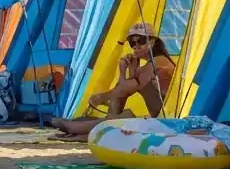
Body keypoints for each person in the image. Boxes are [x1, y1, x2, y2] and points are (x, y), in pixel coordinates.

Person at [48, 23, 176, 140]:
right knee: (125, 115)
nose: (136, 46)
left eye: (141, 41)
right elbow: (125, 92)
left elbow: (122, 91)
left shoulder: (157, 63)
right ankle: (82, 133)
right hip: (159, 121)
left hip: (164, 123)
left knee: (125, 118)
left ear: (152, 42)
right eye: (132, 43)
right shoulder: (151, 65)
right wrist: (129, 70)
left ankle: (76, 130)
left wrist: (101, 96)